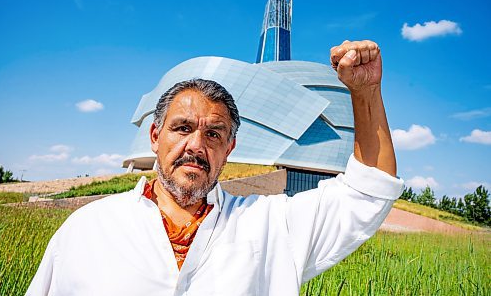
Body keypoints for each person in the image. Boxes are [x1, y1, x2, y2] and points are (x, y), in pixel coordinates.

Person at [27, 40, 404, 295]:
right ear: (154, 136)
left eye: (214, 134)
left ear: (230, 149)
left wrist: (365, 92)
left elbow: (368, 190)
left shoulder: (273, 225)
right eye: (182, 128)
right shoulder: (88, 229)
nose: (196, 145)